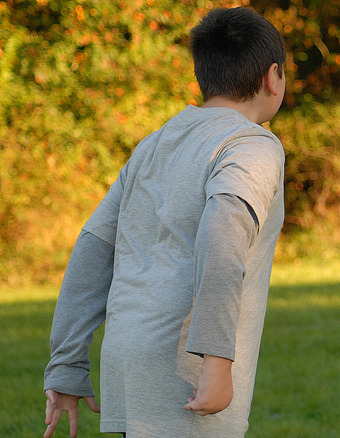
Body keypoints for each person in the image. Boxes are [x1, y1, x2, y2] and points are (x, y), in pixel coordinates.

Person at [42, 7, 287, 437]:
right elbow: (223, 232)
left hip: (127, 364)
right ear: (273, 76)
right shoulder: (252, 145)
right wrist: (216, 359)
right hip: (185, 375)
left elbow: (95, 244)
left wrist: (66, 362)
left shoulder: (156, 143)